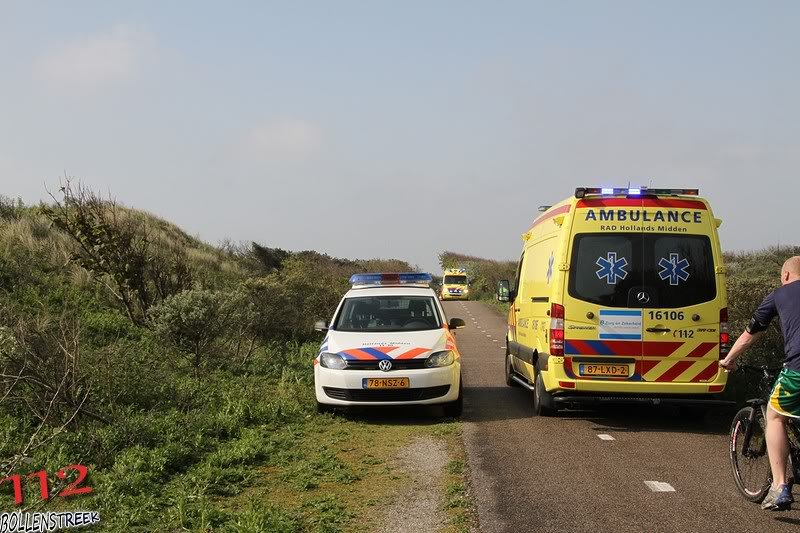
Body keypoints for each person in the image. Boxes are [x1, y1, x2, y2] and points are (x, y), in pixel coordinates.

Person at [720, 256, 800, 511]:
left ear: (786, 275)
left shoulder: (780, 294)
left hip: (798, 369)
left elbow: (751, 332)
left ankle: (779, 487)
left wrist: (729, 359)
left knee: (776, 417)